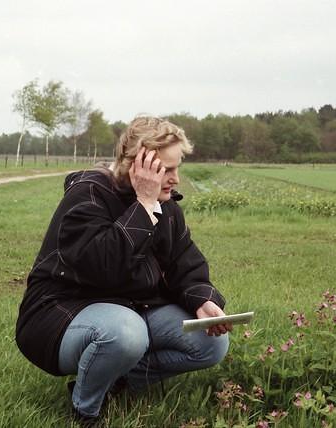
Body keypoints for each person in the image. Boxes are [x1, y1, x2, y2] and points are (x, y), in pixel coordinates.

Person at [15, 116, 232, 423]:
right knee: (127, 334)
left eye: (176, 167)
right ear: (138, 166)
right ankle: (86, 410)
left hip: (131, 309)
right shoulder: (88, 195)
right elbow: (103, 267)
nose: (176, 178)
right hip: (62, 313)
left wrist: (202, 299)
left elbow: (184, 262)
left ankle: (116, 381)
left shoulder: (167, 208)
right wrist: (143, 205)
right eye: (166, 170)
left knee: (211, 343)